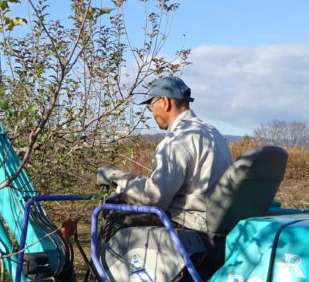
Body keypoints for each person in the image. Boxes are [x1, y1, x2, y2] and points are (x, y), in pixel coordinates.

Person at [98, 76, 232, 233]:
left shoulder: (177, 140)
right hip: (219, 223)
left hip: (194, 225)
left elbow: (155, 197)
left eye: (151, 106)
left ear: (165, 102)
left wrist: (115, 178)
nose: (152, 112)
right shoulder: (212, 132)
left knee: (115, 222)